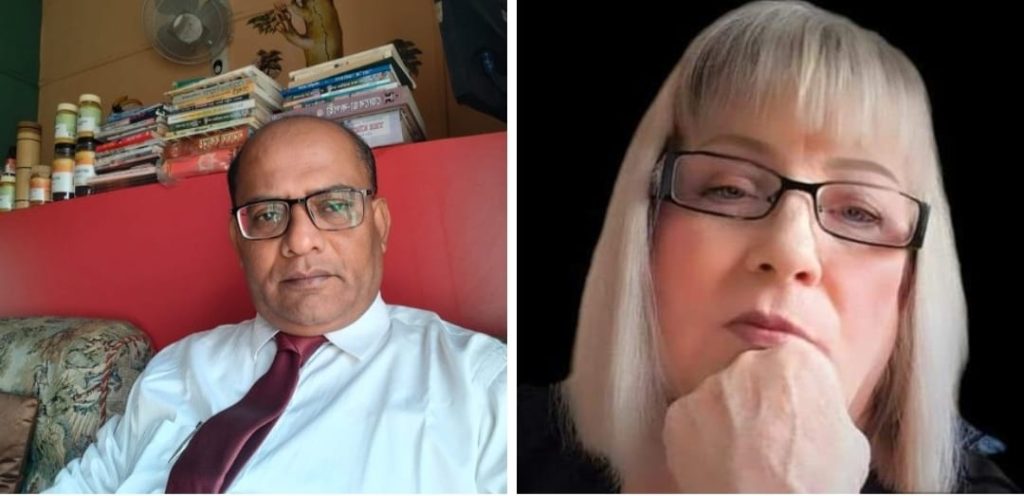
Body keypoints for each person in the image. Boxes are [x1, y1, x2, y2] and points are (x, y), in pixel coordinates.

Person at [519, 1, 1016, 492]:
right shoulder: (496, 438)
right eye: (729, 189)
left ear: (913, 286)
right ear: (645, 227)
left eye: (860, 213)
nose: (790, 252)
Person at [47, 116, 507, 493]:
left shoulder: (483, 387)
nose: (300, 241)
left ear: (379, 225)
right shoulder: (179, 366)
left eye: (333, 206)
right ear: (238, 240)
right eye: (267, 214)